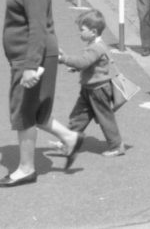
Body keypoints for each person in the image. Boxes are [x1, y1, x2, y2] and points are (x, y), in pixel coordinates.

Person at [0, 0, 80, 187]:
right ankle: (70, 138)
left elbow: (36, 26)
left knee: (23, 112)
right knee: (36, 111)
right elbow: (40, 24)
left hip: (30, 58)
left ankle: (26, 168)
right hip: (35, 55)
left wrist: (31, 65)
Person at [53, 9, 125, 158]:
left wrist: (64, 58)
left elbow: (83, 62)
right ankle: (69, 141)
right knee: (79, 116)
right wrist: (75, 67)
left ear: (93, 31)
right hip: (90, 88)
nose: (79, 33)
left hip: (98, 89)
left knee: (105, 118)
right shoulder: (95, 45)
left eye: (82, 30)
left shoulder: (96, 47)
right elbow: (89, 65)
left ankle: (116, 145)